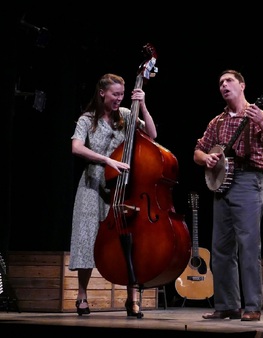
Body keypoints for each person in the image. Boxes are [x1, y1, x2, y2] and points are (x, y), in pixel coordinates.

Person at [194, 69, 263, 322]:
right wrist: (206, 158)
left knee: (248, 246)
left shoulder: (257, 114)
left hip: (247, 180)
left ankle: (252, 305)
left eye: (229, 81)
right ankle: (226, 305)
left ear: (242, 85)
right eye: (220, 82)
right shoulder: (217, 121)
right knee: (221, 248)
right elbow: (197, 151)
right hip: (221, 184)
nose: (224, 85)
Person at [69, 73, 158, 318]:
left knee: (126, 242)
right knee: (86, 237)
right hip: (92, 184)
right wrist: (107, 159)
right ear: (102, 93)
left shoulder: (128, 115)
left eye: (122, 94)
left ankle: (132, 299)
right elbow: (76, 147)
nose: (119, 98)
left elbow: (152, 135)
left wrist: (144, 105)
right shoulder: (87, 119)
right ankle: (82, 294)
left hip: (121, 188)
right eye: (115, 94)